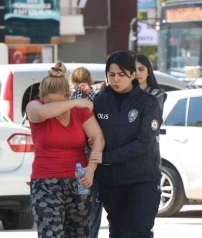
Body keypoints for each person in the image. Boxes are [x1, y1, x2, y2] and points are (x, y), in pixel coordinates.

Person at [26, 61, 104, 238]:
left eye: (59, 102)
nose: (55, 109)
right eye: (49, 103)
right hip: (46, 182)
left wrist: (91, 169)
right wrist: (74, 103)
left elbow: (98, 138)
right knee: (51, 234)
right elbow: (43, 113)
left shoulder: (80, 112)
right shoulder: (35, 106)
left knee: (79, 234)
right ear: (42, 96)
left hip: (79, 180)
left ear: (66, 95)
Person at [89, 51, 163, 238]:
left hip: (142, 180)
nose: (116, 79)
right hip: (111, 182)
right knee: (118, 232)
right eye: (111, 75)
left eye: (121, 74)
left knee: (138, 232)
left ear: (132, 74)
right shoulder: (100, 101)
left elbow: (144, 143)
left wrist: (106, 157)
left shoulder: (148, 103)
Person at [69, 66, 103, 238]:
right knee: (92, 208)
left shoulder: (67, 98)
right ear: (90, 81)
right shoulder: (97, 98)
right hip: (92, 161)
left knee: (74, 211)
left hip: (71, 161)